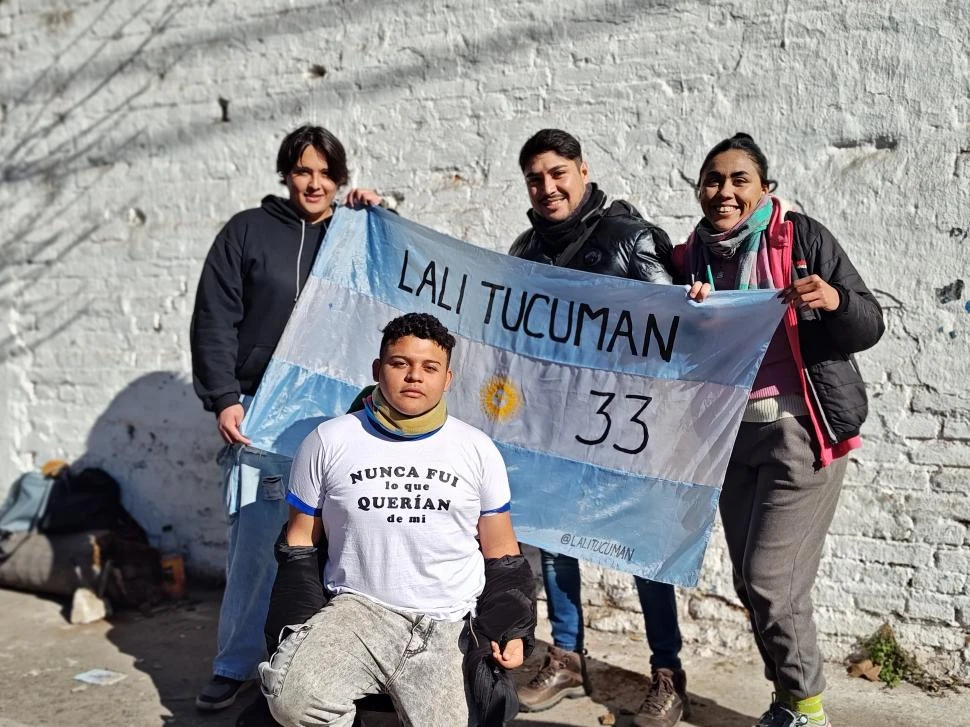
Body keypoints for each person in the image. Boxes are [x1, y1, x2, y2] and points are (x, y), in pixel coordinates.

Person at [680, 133, 884, 727]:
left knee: (772, 580)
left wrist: (833, 299)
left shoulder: (803, 240)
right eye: (713, 180)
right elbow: (640, 289)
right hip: (730, 436)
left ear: (765, 188)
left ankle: (810, 709)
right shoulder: (693, 253)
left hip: (800, 431)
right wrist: (686, 306)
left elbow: (868, 322)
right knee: (750, 581)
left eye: (740, 180)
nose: (725, 191)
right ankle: (787, 700)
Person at [189, 124, 388, 711]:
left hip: (339, 415)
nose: (315, 183)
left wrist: (384, 215)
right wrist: (224, 394)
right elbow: (214, 319)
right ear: (286, 173)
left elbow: (397, 281)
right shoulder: (247, 232)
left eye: (327, 173)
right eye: (304, 170)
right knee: (257, 542)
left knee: (343, 543)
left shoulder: (355, 234)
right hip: (263, 411)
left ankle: (320, 670)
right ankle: (235, 664)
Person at [258, 312, 532, 727]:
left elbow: (502, 551)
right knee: (292, 696)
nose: (413, 377)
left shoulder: (477, 449)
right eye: (399, 363)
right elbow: (300, 543)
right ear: (378, 369)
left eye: (429, 367)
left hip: (449, 623)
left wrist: (512, 625)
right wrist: (296, 633)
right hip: (357, 612)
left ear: (447, 379)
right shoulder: (327, 441)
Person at [509, 128, 690, 727]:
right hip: (555, 425)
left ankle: (667, 671)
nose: (548, 187)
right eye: (536, 178)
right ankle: (565, 656)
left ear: (583, 170)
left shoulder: (632, 240)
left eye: (558, 173)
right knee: (557, 544)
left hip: (626, 425)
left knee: (641, 547)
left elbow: (677, 333)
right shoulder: (523, 251)